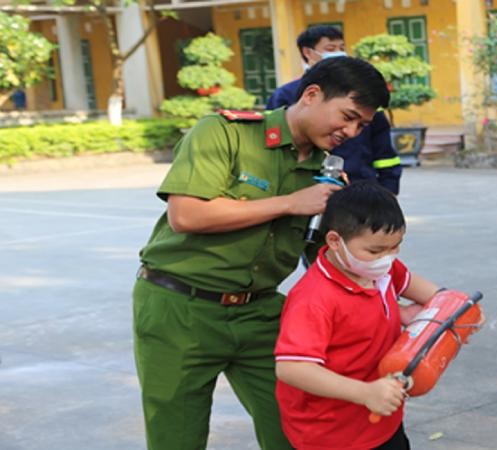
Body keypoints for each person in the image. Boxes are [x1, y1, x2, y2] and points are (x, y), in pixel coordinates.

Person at [132, 57, 390, 450]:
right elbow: (185, 214)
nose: (351, 132)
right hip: (181, 308)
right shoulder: (225, 134)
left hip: (262, 312)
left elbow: (326, 255)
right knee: (177, 437)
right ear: (311, 95)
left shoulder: (325, 171)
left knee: (296, 429)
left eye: (362, 126)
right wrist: (289, 203)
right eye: (348, 116)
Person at [274, 181, 440, 450]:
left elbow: (435, 296)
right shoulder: (314, 298)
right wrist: (365, 392)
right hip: (331, 434)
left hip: (383, 420)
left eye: (395, 246)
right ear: (335, 241)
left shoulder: (379, 269)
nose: (387, 258)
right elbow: (292, 368)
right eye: (375, 250)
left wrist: (458, 311)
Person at [267, 25, 402, 194]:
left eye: (342, 48)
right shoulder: (285, 95)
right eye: (330, 48)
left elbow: (385, 154)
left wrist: (388, 191)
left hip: (358, 189)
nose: (351, 132)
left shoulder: (368, 97)